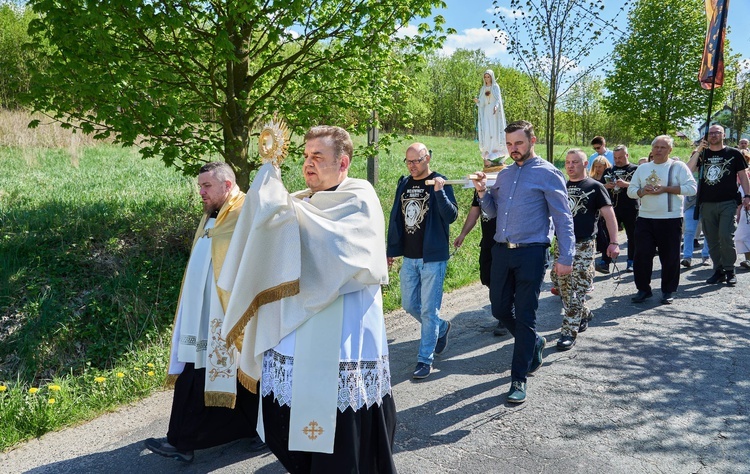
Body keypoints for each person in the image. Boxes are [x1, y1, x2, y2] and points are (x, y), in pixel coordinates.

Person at [218, 125, 397, 473]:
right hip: (302, 329)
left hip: (346, 332)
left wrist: (279, 211)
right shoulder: (301, 203)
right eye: (305, 156)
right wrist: (265, 184)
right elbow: (269, 235)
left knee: (346, 429)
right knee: (289, 418)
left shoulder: (360, 198)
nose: (308, 164)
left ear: (342, 162)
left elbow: (336, 253)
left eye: (318, 157)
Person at [144, 162, 265, 464]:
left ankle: (258, 432)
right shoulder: (212, 216)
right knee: (206, 372)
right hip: (203, 314)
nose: (201, 192)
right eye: (199, 186)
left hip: (229, 314)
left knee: (240, 371)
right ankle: (196, 438)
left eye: (206, 186)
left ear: (226, 185)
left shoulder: (245, 212)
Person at [474, 120, 575, 404]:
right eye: (509, 145)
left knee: (527, 314)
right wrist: (483, 192)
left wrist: (565, 257)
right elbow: (492, 213)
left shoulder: (549, 174)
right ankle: (534, 341)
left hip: (532, 252)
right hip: (502, 251)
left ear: (532, 140)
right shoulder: (503, 176)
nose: (513, 149)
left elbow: (563, 218)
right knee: (498, 307)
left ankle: (518, 378)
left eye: (518, 143)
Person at [387, 143, 458, 379]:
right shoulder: (404, 183)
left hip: (433, 258)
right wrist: (390, 250)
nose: (412, 165)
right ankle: (442, 327)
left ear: (427, 158)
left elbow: (451, 216)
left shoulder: (440, 182)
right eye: (408, 161)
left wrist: (439, 192)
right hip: (409, 257)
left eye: (416, 161)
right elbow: (396, 216)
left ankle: (424, 360)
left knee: (428, 310)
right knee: (408, 304)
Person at [551, 150, 619, 350]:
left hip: (584, 244)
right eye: (567, 162)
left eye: (575, 162)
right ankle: (584, 313)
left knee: (577, 290)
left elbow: (609, 216)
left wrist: (614, 242)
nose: (570, 166)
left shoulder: (595, 187)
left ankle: (568, 332)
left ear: (585, 164)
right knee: (562, 287)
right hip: (561, 244)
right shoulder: (560, 186)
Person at [627, 135, 696, 304]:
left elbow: (692, 188)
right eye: (656, 147)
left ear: (670, 150)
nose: (658, 150)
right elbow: (631, 191)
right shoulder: (643, 168)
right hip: (645, 217)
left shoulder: (678, 166)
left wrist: (666, 189)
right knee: (642, 255)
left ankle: (668, 290)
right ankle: (643, 289)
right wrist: (643, 191)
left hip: (670, 218)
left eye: (663, 147)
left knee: (670, 257)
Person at [687, 124, 750, 286]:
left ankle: (730, 270)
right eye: (711, 133)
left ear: (724, 135)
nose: (714, 135)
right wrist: (699, 150)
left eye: (717, 133)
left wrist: (748, 195)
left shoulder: (733, 153)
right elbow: (689, 170)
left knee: (725, 235)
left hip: (728, 202)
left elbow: (743, 176)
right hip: (706, 203)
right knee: (712, 238)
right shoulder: (703, 154)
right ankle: (719, 270)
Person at [453, 190, 508, 336]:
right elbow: (474, 212)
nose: (487, 166)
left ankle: (506, 316)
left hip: (504, 242)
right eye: (485, 164)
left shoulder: (506, 182)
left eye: (490, 164)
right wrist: (463, 234)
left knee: (503, 280)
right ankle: (503, 309)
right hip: (487, 242)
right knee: (487, 277)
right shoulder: (480, 186)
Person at [602, 145, 639, 272]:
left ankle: (632, 261)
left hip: (631, 206)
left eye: (620, 157)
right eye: (615, 158)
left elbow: (641, 186)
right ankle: (605, 262)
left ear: (627, 155)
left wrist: (626, 184)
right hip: (613, 207)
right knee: (608, 234)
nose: (618, 160)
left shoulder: (636, 169)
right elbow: (600, 187)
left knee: (632, 235)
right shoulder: (609, 170)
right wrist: (606, 186)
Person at [474, 69, 508, 166]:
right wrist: (478, 102)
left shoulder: (495, 87)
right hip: (486, 112)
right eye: (485, 77)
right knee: (487, 130)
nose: (486, 79)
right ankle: (488, 149)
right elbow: (482, 102)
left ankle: (496, 149)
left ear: (491, 77)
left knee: (494, 129)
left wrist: (496, 106)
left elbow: (498, 99)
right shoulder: (483, 89)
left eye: (488, 77)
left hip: (494, 112)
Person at [589, 156, 614, 273]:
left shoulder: (608, 178)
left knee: (606, 236)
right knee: (599, 235)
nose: (598, 169)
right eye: (596, 166)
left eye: (600, 166)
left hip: (607, 210)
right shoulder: (591, 179)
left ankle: (605, 261)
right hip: (595, 213)